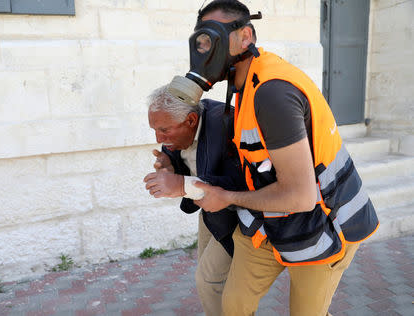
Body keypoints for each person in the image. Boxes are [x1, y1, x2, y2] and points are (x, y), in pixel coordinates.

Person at [178, 1, 380, 315]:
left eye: (213, 38)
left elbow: (299, 197)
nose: (206, 50)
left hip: (323, 223)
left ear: (246, 37)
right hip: (268, 221)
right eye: (201, 41)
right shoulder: (243, 84)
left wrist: (225, 197)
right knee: (233, 306)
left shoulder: (272, 93)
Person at [143, 85, 246, 316]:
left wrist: (180, 184)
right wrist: (170, 167)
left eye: (164, 130)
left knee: (209, 281)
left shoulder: (227, 123)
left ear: (191, 120)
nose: (159, 138)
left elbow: (240, 184)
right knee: (211, 276)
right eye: (155, 130)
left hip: (240, 216)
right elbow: (176, 157)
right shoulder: (175, 130)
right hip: (209, 213)